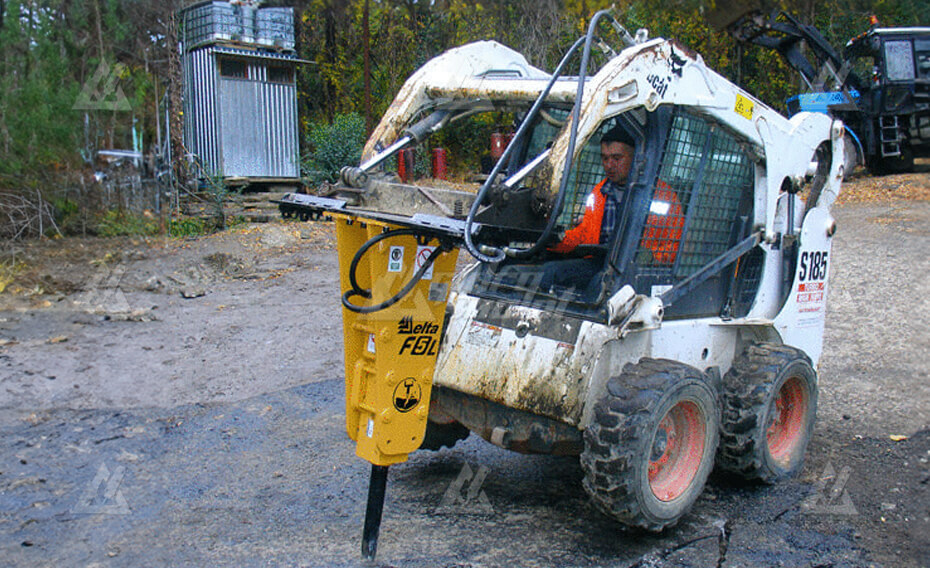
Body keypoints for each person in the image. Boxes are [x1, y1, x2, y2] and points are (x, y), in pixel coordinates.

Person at [540, 126, 636, 292]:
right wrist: (552, 239)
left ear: (635, 157)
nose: (609, 165)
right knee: (546, 270)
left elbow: (672, 244)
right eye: (605, 158)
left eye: (617, 158)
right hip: (600, 262)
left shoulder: (658, 195)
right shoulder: (599, 192)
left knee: (593, 284)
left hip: (635, 268)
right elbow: (585, 233)